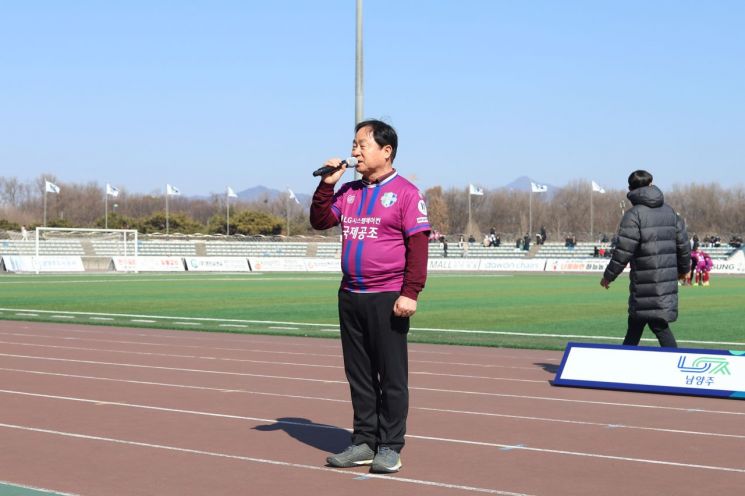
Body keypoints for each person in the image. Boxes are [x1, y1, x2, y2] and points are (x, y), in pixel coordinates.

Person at [310, 119, 430, 474]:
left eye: (362, 145)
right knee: (359, 374)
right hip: (350, 295)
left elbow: (418, 246)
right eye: (354, 144)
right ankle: (364, 441)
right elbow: (319, 221)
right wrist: (325, 186)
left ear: (386, 150)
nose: (354, 152)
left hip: (388, 296)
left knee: (390, 375)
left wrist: (410, 292)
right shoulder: (348, 191)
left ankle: (390, 445)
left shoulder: (407, 193)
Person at [600, 170, 690, 348]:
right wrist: (683, 270)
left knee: (653, 325)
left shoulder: (634, 215)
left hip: (644, 281)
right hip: (665, 280)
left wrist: (608, 276)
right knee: (641, 324)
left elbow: (623, 251)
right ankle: (627, 364)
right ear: (651, 184)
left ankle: (672, 364)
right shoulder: (670, 212)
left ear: (630, 189)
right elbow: (683, 246)